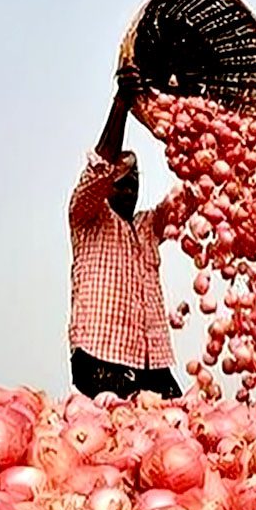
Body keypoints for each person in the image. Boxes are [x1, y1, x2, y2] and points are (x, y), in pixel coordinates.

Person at [66, 66, 183, 400]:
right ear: (107, 186)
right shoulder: (86, 216)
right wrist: (121, 104)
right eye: (122, 180)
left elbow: (190, 196)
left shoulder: (149, 226)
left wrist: (206, 146)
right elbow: (99, 167)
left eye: (136, 180)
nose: (131, 186)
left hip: (153, 360)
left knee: (174, 431)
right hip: (102, 357)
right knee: (114, 440)